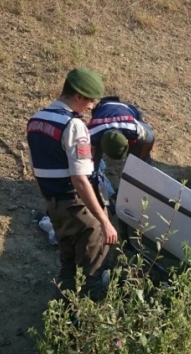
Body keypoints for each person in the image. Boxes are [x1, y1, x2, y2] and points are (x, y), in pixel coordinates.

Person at [26, 67, 117, 302]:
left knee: (68, 266)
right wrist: (104, 221)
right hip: (78, 207)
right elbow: (80, 179)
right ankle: (85, 327)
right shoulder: (74, 126)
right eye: (89, 101)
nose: (90, 107)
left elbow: (38, 170)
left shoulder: (36, 120)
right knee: (92, 271)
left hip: (55, 207)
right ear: (77, 96)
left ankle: (61, 318)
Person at [87, 96, 155, 169]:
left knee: (138, 152)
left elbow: (150, 139)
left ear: (127, 141)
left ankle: (143, 168)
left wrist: (141, 159)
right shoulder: (91, 133)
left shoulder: (133, 129)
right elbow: (86, 153)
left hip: (126, 108)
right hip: (103, 106)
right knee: (91, 162)